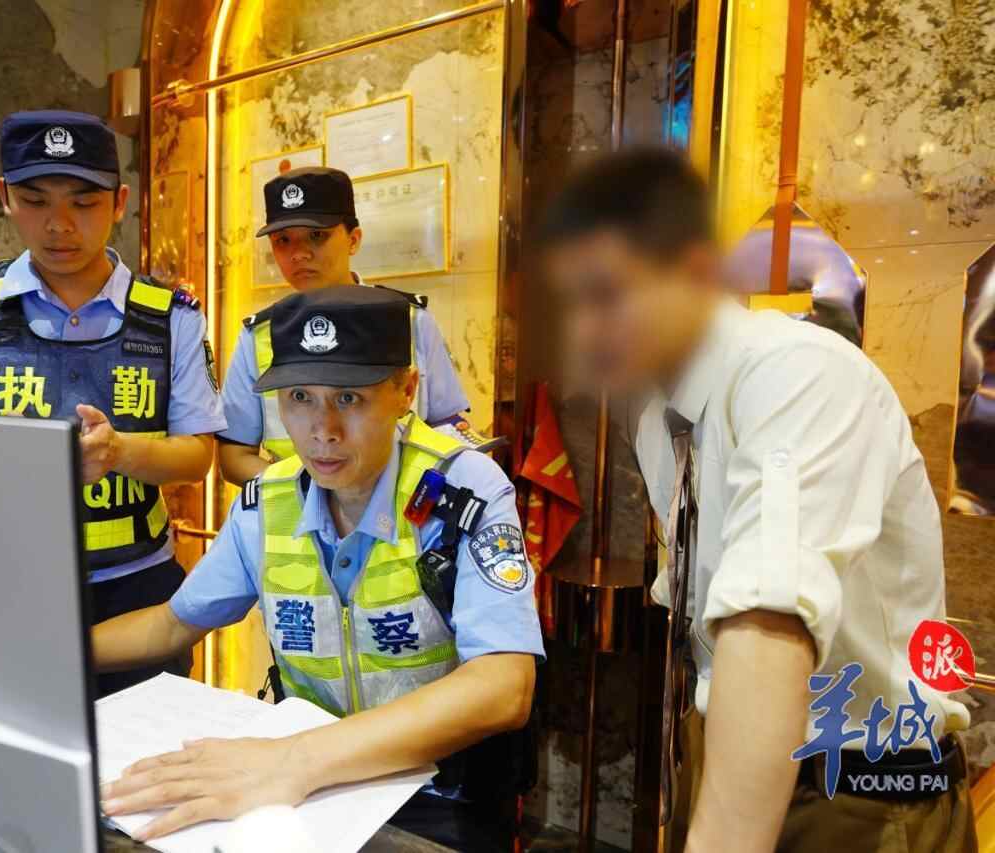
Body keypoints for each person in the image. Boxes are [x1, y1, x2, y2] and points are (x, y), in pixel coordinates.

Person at [540, 147, 976, 853]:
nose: (586, 330)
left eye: (608, 293)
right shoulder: (656, 418)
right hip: (728, 751)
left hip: (859, 791)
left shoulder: (798, 373)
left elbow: (768, 620)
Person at [93, 286, 542, 851]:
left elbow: (504, 685)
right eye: (300, 397)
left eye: (350, 398)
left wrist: (293, 761)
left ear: (406, 390)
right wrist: (48, 652)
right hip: (312, 797)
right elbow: (172, 625)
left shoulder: (463, 488)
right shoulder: (268, 501)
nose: (322, 429)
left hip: (440, 797)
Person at [0, 110, 226, 697]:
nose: (59, 225)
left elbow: (198, 457)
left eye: (84, 202)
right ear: (5, 197)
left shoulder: (170, 318)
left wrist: (119, 452)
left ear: (120, 202)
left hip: (137, 588)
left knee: (141, 749)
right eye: (35, 200)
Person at [217, 166, 474, 487]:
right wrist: (314, 495)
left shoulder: (410, 319)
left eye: (317, 236)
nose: (298, 254)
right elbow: (234, 457)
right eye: (283, 240)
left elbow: (448, 429)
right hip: (297, 514)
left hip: (401, 511)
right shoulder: (258, 336)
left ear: (353, 239)